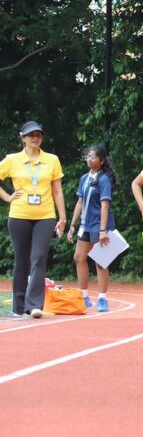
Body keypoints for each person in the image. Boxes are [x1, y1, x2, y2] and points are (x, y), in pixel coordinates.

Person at [0, 121, 66, 319]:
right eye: (31, 135)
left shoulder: (52, 160)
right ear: (23, 138)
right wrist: (7, 197)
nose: (35, 138)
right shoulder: (12, 160)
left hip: (45, 216)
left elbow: (57, 190)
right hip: (19, 215)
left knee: (39, 258)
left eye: (39, 135)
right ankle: (18, 306)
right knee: (21, 260)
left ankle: (34, 305)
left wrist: (62, 217)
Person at [66, 145, 116, 312]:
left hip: (99, 225)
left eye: (93, 157)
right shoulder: (84, 178)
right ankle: (84, 296)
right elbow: (80, 202)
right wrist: (72, 225)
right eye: (87, 156)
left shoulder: (103, 180)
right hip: (85, 225)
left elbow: (105, 206)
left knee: (100, 261)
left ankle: (102, 298)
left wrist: (102, 230)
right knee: (79, 257)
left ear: (101, 161)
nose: (89, 159)